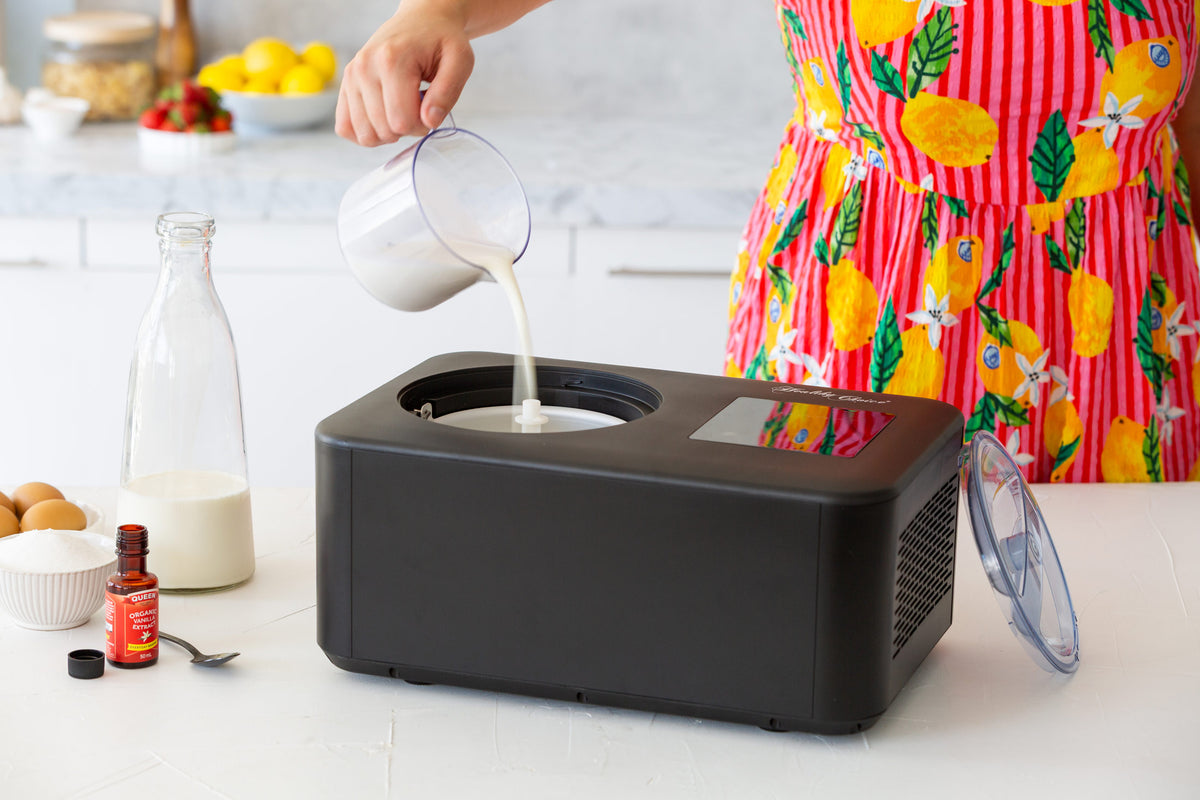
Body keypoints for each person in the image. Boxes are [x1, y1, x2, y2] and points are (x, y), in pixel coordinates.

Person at [337, 0, 1200, 483]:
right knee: (852, 645)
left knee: (1125, 649)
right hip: (869, 304)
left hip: (1130, 318)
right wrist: (439, 10)